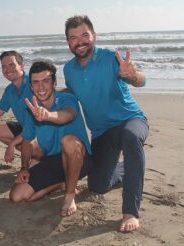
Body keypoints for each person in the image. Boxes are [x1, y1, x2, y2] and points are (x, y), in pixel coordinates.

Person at [63, 15, 149, 232]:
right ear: (68, 42)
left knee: (131, 137)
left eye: (85, 35)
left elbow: (140, 79)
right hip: (102, 132)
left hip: (131, 119)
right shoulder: (68, 70)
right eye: (73, 37)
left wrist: (132, 75)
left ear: (94, 36)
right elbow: (75, 91)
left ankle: (130, 212)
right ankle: (126, 168)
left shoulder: (112, 57)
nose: (80, 41)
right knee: (97, 186)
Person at [9, 60, 91, 217]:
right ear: (31, 86)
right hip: (53, 160)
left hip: (80, 159)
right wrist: (24, 168)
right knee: (17, 196)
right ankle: (61, 183)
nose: (41, 87)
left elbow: (68, 115)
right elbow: (26, 141)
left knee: (68, 141)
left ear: (54, 82)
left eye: (46, 81)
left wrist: (48, 115)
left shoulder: (66, 98)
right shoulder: (31, 111)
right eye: (36, 82)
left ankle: (70, 195)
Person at [0, 50, 42, 163]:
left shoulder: (34, 84)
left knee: (27, 143)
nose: (7, 69)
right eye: (4, 66)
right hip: (25, 128)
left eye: (12, 65)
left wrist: (12, 144)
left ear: (21, 66)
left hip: (41, 131)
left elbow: (34, 126)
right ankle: (29, 152)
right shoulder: (9, 90)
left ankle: (37, 156)